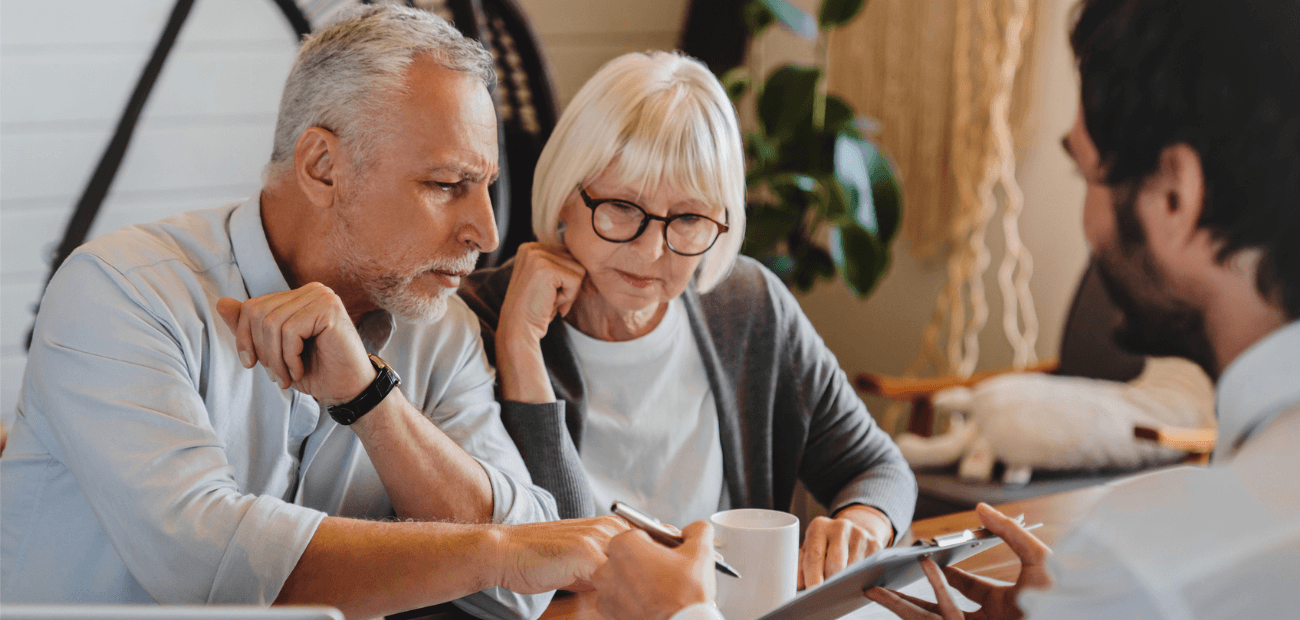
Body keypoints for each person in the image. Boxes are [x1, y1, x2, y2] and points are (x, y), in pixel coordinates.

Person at [593, 0, 1300, 618]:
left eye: (1085, 173)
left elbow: (874, 464)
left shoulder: (1150, 560)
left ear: (1175, 193)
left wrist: (681, 613)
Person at [0, 6, 627, 620]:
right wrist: (493, 553)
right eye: (445, 184)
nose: (486, 232)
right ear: (323, 167)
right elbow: (204, 567)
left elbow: (527, 589)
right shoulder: (120, 292)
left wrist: (372, 401)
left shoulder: (443, 330)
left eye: (484, 186)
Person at [457, 50, 917, 591]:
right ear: (564, 195)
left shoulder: (747, 305)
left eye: (690, 218)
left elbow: (879, 469)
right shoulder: (478, 320)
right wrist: (519, 351)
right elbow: (545, 555)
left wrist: (863, 523)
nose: (652, 250)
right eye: (623, 207)